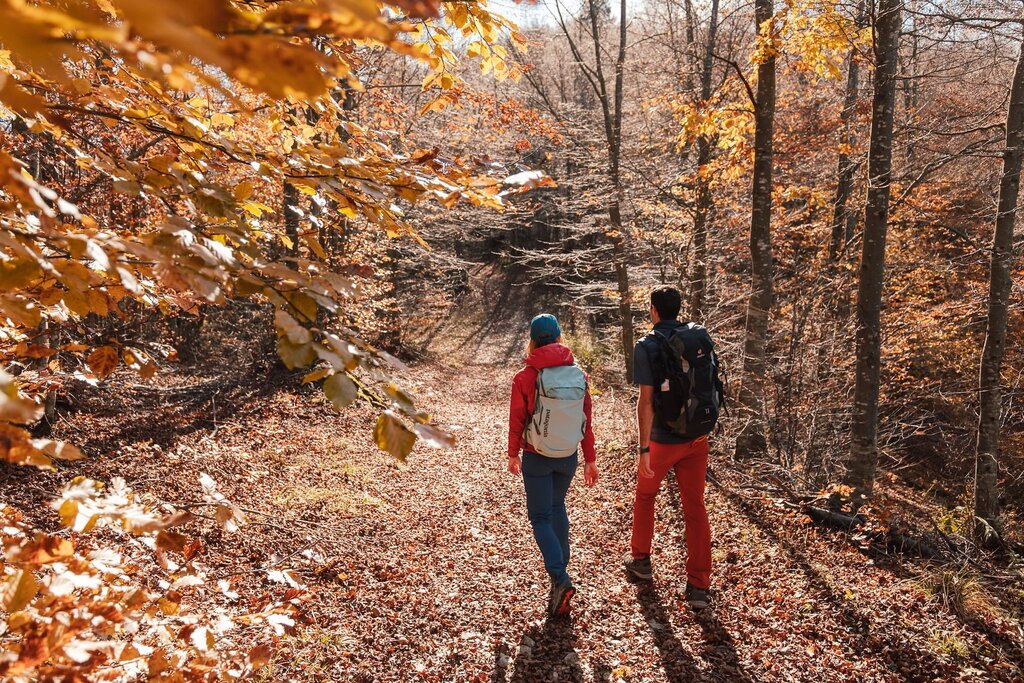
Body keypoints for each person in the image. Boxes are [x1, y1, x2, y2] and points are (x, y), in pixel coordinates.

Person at [624, 286, 714, 610]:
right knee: (695, 507)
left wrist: (643, 449)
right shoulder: (697, 338)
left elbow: (645, 401)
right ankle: (699, 586)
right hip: (697, 439)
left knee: (646, 497)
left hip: (663, 441)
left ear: (653, 310)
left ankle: (641, 561)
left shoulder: (647, 345)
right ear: (679, 309)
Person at [508, 313, 599, 617]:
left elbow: (518, 419)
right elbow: (586, 419)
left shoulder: (525, 377)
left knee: (539, 516)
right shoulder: (579, 375)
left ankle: (560, 578)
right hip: (568, 456)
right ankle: (560, 573)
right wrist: (590, 459)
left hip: (537, 454)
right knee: (558, 506)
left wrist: (512, 453)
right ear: (560, 337)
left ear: (532, 340)